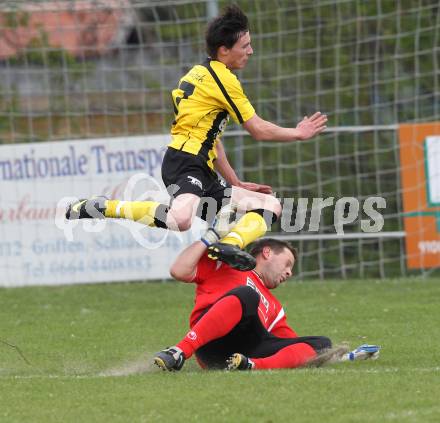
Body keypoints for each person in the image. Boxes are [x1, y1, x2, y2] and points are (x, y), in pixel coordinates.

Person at [66, 4, 328, 271]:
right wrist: (297, 133)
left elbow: (212, 138)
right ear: (224, 50)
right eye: (245, 45)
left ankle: (229, 246)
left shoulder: (198, 73)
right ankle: (106, 207)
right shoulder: (223, 79)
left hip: (202, 168)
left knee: (271, 205)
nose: (250, 51)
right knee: (181, 220)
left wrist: (234, 180)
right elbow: (258, 129)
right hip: (185, 163)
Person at [153, 236, 380, 371]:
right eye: (288, 263)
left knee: (322, 342)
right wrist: (208, 239)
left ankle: (250, 366)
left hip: (238, 354)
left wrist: (344, 356)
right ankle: (179, 352)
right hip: (209, 344)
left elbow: (291, 346)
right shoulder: (230, 263)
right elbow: (178, 270)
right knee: (247, 295)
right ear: (267, 252)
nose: (290, 272)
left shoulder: (275, 307)